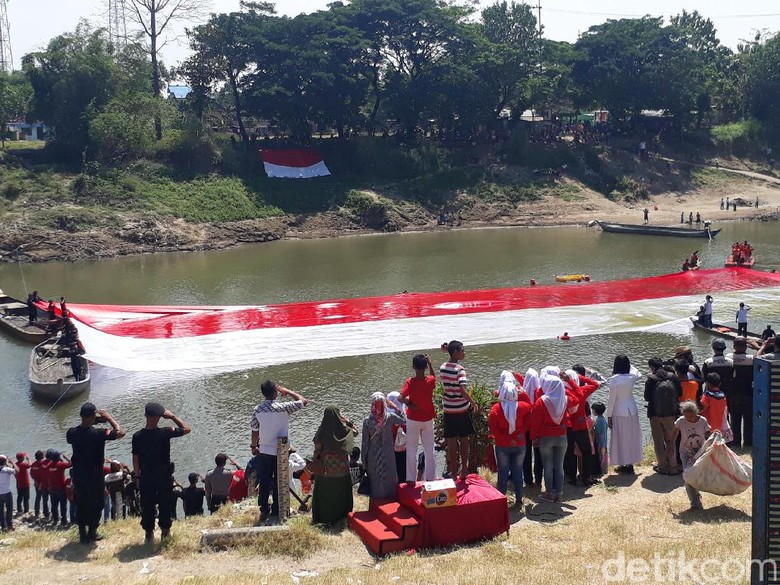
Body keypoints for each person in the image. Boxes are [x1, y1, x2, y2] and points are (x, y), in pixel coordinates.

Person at [249, 380, 308, 523]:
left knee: (264, 480)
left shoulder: (258, 410)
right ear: (276, 392)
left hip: (264, 449)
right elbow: (303, 401)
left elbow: (254, 430)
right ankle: (277, 508)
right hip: (281, 450)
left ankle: (264, 509)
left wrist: (253, 446)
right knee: (279, 480)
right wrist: (287, 391)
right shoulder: (284, 407)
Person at [132, 403, 191, 543]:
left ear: (145, 415)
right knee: (165, 502)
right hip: (163, 474)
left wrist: (137, 476)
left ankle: (148, 532)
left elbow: (135, 459)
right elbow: (187, 429)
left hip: (146, 473)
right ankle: (165, 532)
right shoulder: (165, 432)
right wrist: (172, 417)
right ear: (159, 417)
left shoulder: (137, 436)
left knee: (147, 503)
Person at [66, 402, 124, 543]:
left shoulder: (71, 432)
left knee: (81, 502)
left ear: (80, 415)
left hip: (79, 474)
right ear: (93, 416)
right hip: (94, 474)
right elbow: (121, 433)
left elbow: (82, 430)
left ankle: (82, 534)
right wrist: (109, 418)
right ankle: (92, 532)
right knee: (96, 503)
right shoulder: (99, 433)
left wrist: (93, 420)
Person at [311, 406, 357, 526]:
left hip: (326, 471)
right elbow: (355, 432)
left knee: (325, 495)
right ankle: (342, 517)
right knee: (342, 494)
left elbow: (316, 452)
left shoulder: (321, 432)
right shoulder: (345, 431)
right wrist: (347, 420)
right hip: (342, 471)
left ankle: (323, 517)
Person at [489, 371, 532, 497]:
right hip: (519, 442)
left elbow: (494, 430)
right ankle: (519, 498)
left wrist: (507, 439)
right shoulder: (523, 407)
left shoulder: (496, 409)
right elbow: (530, 417)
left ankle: (502, 499)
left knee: (503, 473)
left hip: (502, 445)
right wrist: (520, 433)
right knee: (518, 472)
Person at [440, 341, 479, 478]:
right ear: (456, 352)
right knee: (464, 439)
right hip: (461, 409)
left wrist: (447, 350)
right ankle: (464, 471)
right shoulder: (460, 370)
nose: (464, 352)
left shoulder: (443, 367)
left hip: (448, 409)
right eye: (462, 350)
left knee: (451, 440)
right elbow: (462, 389)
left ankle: (454, 471)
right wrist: (473, 403)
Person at [530, 371, 569, 503]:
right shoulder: (565, 399)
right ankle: (560, 494)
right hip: (562, 436)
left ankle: (549, 493)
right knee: (559, 466)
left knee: (548, 466)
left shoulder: (542, 401)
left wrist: (533, 437)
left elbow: (536, 422)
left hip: (546, 437)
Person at [398, 354, 437, 483]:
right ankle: (431, 478)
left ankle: (410, 479)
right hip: (427, 419)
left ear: (413, 367)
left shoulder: (410, 382)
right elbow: (433, 377)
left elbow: (400, 398)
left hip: (413, 419)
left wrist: (410, 404)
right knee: (429, 449)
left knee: (412, 449)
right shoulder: (430, 381)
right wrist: (431, 364)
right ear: (425, 366)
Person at [362, 393, 405, 500]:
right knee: (389, 479)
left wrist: (364, 461)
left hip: (373, 456)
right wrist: (396, 408)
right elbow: (403, 420)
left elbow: (365, 444)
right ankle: (390, 501)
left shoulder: (367, 421)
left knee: (375, 481)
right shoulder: (389, 418)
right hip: (388, 455)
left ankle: (375, 504)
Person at [563, 367, 600, 486]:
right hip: (580, 425)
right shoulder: (582, 391)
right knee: (587, 451)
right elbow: (594, 384)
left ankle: (571, 477)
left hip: (568, 426)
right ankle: (586, 477)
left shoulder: (562, 392)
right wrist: (578, 377)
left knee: (570, 452)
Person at [606, 355, 643, 475]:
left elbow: (611, 399)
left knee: (620, 438)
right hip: (631, 409)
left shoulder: (615, 379)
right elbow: (638, 372)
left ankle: (622, 463)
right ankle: (630, 463)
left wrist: (609, 415)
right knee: (631, 437)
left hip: (619, 411)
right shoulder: (631, 377)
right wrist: (629, 365)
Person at [644, 359, 681, 475]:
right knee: (671, 440)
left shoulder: (651, 379)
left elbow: (647, 398)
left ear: (651, 367)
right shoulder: (673, 377)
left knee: (658, 441)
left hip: (655, 414)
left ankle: (662, 466)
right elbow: (680, 393)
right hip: (671, 414)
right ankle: (673, 467)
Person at [674, 402, 710, 510]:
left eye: (691, 416)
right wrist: (670, 447)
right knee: (688, 476)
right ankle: (695, 503)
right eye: (686, 416)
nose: (689, 419)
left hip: (700, 453)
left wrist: (714, 436)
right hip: (685, 453)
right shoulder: (681, 421)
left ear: (696, 413)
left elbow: (708, 433)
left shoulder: (702, 421)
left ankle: (696, 494)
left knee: (697, 475)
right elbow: (674, 433)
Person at [728, 337, 754, 448]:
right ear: (746, 346)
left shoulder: (729, 358)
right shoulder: (751, 359)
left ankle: (736, 442)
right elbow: (761, 357)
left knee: (735, 419)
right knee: (748, 420)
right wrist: (759, 346)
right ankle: (748, 443)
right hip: (748, 394)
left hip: (733, 394)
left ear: (734, 346)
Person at [522, 368, 543, 487]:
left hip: (525, 430)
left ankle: (528, 480)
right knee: (539, 455)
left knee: (526, 455)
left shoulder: (522, 394)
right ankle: (539, 479)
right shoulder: (540, 393)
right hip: (538, 430)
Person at [700, 373, 733, 443]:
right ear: (720, 384)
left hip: (708, 427)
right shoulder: (723, 395)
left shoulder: (707, 395)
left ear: (707, 383)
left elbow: (703, 407)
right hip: (720, 427)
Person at [45, 450, 71, 528]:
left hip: (52, 488)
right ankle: (64, 521)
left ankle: (55, 520)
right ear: (58, 458)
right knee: (63, 505)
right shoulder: (60, 465)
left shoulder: (48, 466)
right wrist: (65, 457)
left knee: (54, 505)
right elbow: (71, 464)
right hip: (61, 488)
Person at [386, 392, 407, 483]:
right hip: (404, 448)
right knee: (403, 471)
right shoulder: (405, 413)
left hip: (391, 450)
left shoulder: (389, 416)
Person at [0, 455, 18, 531]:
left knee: (0, 509)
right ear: (4, 461)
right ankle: (9, 524)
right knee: (9, 508)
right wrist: (13, 462)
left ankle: (3, 525)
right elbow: (17, 471)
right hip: (6, 492)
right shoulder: (6, 469)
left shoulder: (5, 469)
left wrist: (6, 463)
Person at [30, 450, 49, 520]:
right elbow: (44, 474)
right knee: (45, 499)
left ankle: (36, 512)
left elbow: (31, 474)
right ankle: (46, 513)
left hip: (36, 484)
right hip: (43, 484)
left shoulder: (33, 464)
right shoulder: (42, 464)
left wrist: (36, 482)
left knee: (37, 498)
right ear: (42, 456)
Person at [592, 403, 608, 476]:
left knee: (600, 455)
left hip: (600, 441)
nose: (592, 411)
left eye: (593, 410)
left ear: (596, 411)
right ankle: (604, 469)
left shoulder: (599, 420)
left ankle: (601, 470)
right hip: (604, 441)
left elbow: (597, 431)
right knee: (604, 455)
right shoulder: (603, 419)